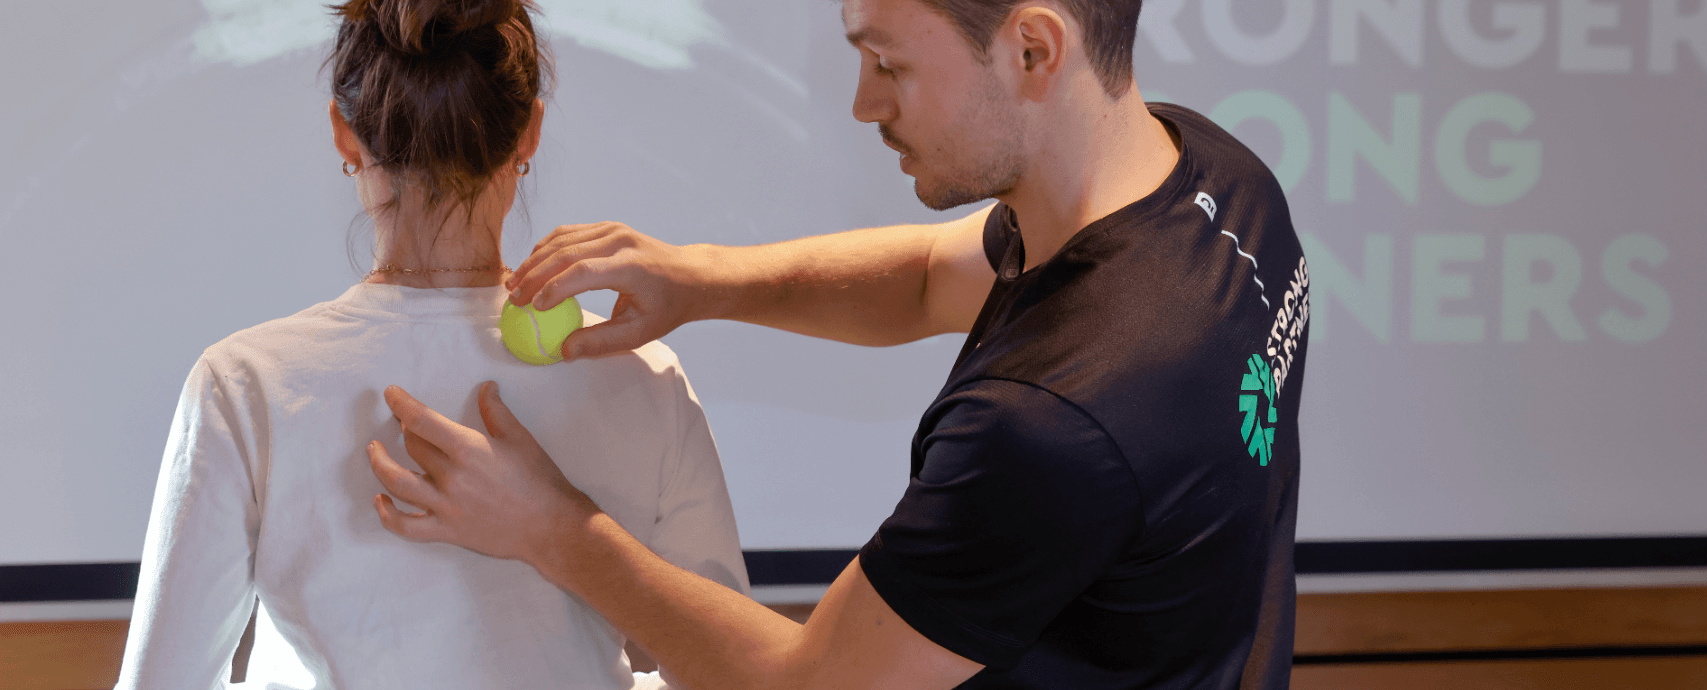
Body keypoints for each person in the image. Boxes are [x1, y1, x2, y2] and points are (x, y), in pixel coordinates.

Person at [369, 0, 1309, 688]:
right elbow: (933, 276)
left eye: (888, 65)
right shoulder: (1213, 179)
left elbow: (807, 685)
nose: (864, 103)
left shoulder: (1054, 424)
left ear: (1033, 48)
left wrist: (548, 527)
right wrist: (703, 280)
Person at [114, 1, 748, 688]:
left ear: (345, 135)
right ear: (529, 132)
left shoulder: (243, 384)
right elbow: (734, 671)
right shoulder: (644, 373)